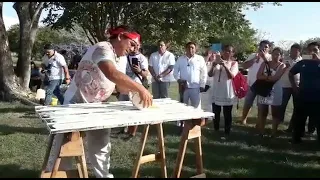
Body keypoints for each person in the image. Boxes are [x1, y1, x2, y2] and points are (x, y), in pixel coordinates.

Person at [44, 26, 153, 178]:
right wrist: (140, 88)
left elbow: (120, 86)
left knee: (101, 144)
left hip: (97, 105)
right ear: (121, 36)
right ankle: (54, 174)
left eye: (137, 47)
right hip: (76, 103)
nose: (133, 49)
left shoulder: (121, 59)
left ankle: (103, 175)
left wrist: (135, 93)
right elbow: (111, 72)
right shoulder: (103, 47)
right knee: (64, 146)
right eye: (132, 44)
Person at [290, 41, 320, 144]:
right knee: (299, 120)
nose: (312, 52)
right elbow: (291, 73)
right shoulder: (303, 63)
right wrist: (294, 87)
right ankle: (296, 139)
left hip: (318, 98)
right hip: (303, 95)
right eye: (310, 50)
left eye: (315, 50)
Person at [118, 41, 149, 139]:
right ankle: (123, 128)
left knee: (135, 107)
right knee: (122, 106)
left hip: (136, 85)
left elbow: (145, 73)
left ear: (140, 46)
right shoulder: (123, 57)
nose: (134, 47)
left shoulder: (142, 58)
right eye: (132, 45)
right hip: (124, 84)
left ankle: (132, 132)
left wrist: (139, 71)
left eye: (137, 45)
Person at [173, 42, 207, 131]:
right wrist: (179, 80)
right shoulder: (181, 59)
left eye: (192, 48)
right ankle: (182, 126)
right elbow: (175, 71)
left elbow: (204, 73)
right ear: (185, 48)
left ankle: (195, 126)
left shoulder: (200, 59)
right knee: (183, 106)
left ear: (195, 49)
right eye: (189, 48)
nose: (190, 49)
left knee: (196, 107)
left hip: (196, 87)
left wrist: (202, 84)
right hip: (184, 87)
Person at [208, 45, 239, 138]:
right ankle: (216, 129)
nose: (227, 53)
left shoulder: (234, 63)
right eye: (225, 51)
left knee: (227, 113)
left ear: (232, 53)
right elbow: (210, 74)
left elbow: (231, 76)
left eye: (229, 51)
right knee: (216, 112)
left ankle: (227, 131)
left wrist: (225, 65)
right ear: (222, 52)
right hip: (216, 90)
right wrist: (214, 65)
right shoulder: (216, 61)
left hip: (227, 91)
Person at [256, 47, 287, 137]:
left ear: (281, 56)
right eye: (274, 54)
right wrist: (267, 78)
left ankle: (274, 132)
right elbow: (258, 76)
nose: (275, 56)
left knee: (275, 112)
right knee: (263, 111)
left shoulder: (282, 65)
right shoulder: (265, 63)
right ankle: (261, 131)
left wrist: (265, 77)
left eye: (278, 54)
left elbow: (275, 78)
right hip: (264, 89)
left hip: (276, 90)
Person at [240, 40, 272, 125]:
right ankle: (243, 119)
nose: (264, 48)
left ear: (269, 49)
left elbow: (270, 69)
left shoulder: (270, 57)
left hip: (263, 85)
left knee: (261, 106)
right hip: (251, 84)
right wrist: (254, 59)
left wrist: (264, 58)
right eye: (262, 46)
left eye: (266, 47)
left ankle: (259, 122)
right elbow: (244, 66)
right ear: (259, 47)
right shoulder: (253, 55)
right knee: (248, 103)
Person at [278, 44, 302, 132]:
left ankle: (292, 126)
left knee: (296, 107)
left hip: (297, 86)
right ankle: (279, 121)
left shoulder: (302, 61)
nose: (294, 53)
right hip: (285, 85)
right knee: (282, 105)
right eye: (293, 51)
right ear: (290, 51)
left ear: (299, 52)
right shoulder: (284, 59)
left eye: (296, 51)